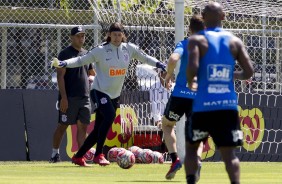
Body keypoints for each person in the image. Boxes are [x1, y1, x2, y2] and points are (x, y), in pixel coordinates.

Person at [51, 22, 166, 166]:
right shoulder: (100, 50)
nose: (117, 38)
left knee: (98, 128)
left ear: (123, 35)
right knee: (111, 115)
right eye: (114, 35)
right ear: (109, 35)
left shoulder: (129, 49)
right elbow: (81, 60)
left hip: (114, 95)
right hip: (99, 91)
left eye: (119, 35)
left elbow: (146, 58)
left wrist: (160, 64)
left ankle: (78, 156)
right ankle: (99, 154)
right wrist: (64, 63)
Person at [186, 2, 254, 184]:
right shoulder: (235, 41)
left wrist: (191, 80)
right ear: (223, 17)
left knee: (192, 148)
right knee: (229, 154)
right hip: (227, 107)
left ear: (203, 17)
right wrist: (231, 75)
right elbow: (249, 72)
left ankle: (191, 180)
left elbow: (192, 68)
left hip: (202, 107)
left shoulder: (197, 40)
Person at [161, 15, 205, 180]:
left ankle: (175, 160)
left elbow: (173, 58)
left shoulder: (185, 43)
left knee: (166, 125)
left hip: (180, 95)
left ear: (189, 29)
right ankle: (198, 161)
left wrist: (168, 75)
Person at [49, 26, 96, 163]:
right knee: (62, 126)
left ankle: (80, 157)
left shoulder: (87, 54)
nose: (81, 38)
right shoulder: (64, 54)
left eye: (83, 36)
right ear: (71, 37)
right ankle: (54, 154)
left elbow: (91, 73)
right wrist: (63, 98)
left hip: (85, 97)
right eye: (78, 36)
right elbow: (60, 76)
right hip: (69, 98)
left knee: (83, 127)